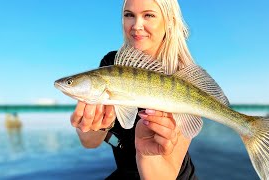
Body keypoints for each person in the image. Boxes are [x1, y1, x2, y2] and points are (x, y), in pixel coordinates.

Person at [70, 0, 198, 179]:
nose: (137, 26)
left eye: (149, 15)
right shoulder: (111, 64)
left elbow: (164, 175)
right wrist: (95, 124)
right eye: (129, 15)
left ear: (169, 21)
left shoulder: (182, 79)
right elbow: (90, 143)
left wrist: (146, 154)